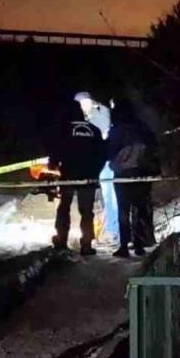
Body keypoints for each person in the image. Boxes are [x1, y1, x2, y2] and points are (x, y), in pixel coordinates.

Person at [48, 103, 106, 255]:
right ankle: (86, 245)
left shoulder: (64, 129)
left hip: (68, 175)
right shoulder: (94, 130)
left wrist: (53, 164)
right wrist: (95, 171)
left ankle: (61, 240)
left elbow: (56, 150)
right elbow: (102, 153)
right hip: (89, 176)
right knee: (87, 211)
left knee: (64, 207)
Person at [108, 102, 159, 258]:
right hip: (141, 174)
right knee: (140, 209)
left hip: (122, 175)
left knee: (123, 210)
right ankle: (139, 245)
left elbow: (109, 152)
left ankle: (124, 246)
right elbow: (153, 148)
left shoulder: (116, 130)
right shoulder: (142, 128)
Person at [73, 92, 120, 244]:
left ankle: (113, 231)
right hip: (98, 162)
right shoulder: (89, 118)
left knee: (110, 196)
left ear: (92, 102)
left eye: (84, 103)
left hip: (106, 163)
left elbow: (101, 140)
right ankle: (110, 229)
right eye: (80, 104)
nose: (82, 107)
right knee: (105, 197)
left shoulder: (99, 116)